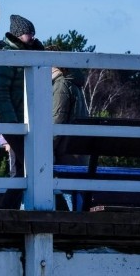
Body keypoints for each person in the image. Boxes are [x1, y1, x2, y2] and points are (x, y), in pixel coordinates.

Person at [0, 14, 44, 209]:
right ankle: (7, 209)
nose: (33, 37)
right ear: (20, 34)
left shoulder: (24, 53)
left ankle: (8, 209)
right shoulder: (6, 55)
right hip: (14, 122)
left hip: (22, 121)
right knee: (29, 166)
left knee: (24, 168)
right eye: (30, 33)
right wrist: (11, 122)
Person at [46, 45, 89, 211]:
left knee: (68, 196)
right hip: (78, 152)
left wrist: (46, 149)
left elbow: (58, 118)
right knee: (77, 196)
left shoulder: (60, 85)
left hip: (67, 153)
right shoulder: (73, 84)